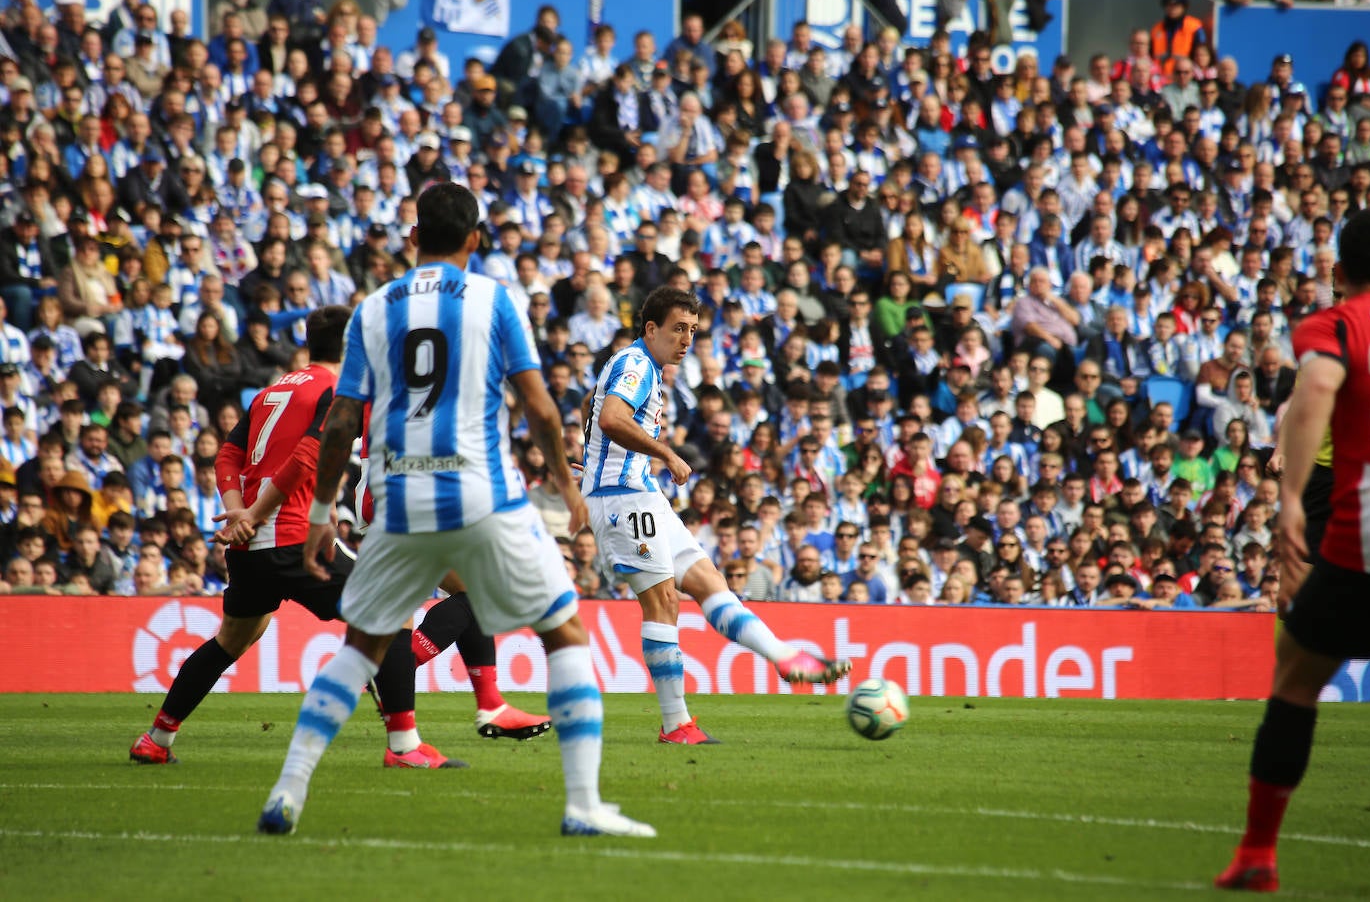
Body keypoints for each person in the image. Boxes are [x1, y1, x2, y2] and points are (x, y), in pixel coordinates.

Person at [257, 184, 652, 839]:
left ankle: (287, 790)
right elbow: (541, 408)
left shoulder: (372, 309)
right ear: (475, 240)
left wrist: (323, 511)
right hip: (482, 496)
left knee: (360, 649)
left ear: (413, 239)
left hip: (400, 504)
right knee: (564, 632)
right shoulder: (494, 299)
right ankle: (582, 805)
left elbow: (341, 423)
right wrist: (566, 482)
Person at [129, 306, 459, 770]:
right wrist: (256, 513)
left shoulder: (272, 390)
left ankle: (156, 738)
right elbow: (310, 455)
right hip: (292, 536)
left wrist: (240, 510)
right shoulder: (341, 390)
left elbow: (228, 451)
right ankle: (404, 747)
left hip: (249, 549)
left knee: (231, 639)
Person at [581, 285, 852, 746]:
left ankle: (785, 658)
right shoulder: (635, 363)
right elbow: (610, 417)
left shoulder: (642, 365)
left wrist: (591, 460)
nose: (686, 340)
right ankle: (675, 724)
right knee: (663, 602)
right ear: (651, 328)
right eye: (678, 329)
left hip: (638, 491)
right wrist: (666, 452)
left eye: (692, 330)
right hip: (622, 497)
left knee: (709, 582)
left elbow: (597, 415)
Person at [1215, 210, 1370, 892]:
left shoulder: (1338, 324)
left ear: (1340, 272)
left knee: (1295, 679)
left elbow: (1314, 390)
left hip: (1360, 540)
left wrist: (1287, 499)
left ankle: (1257, 852)